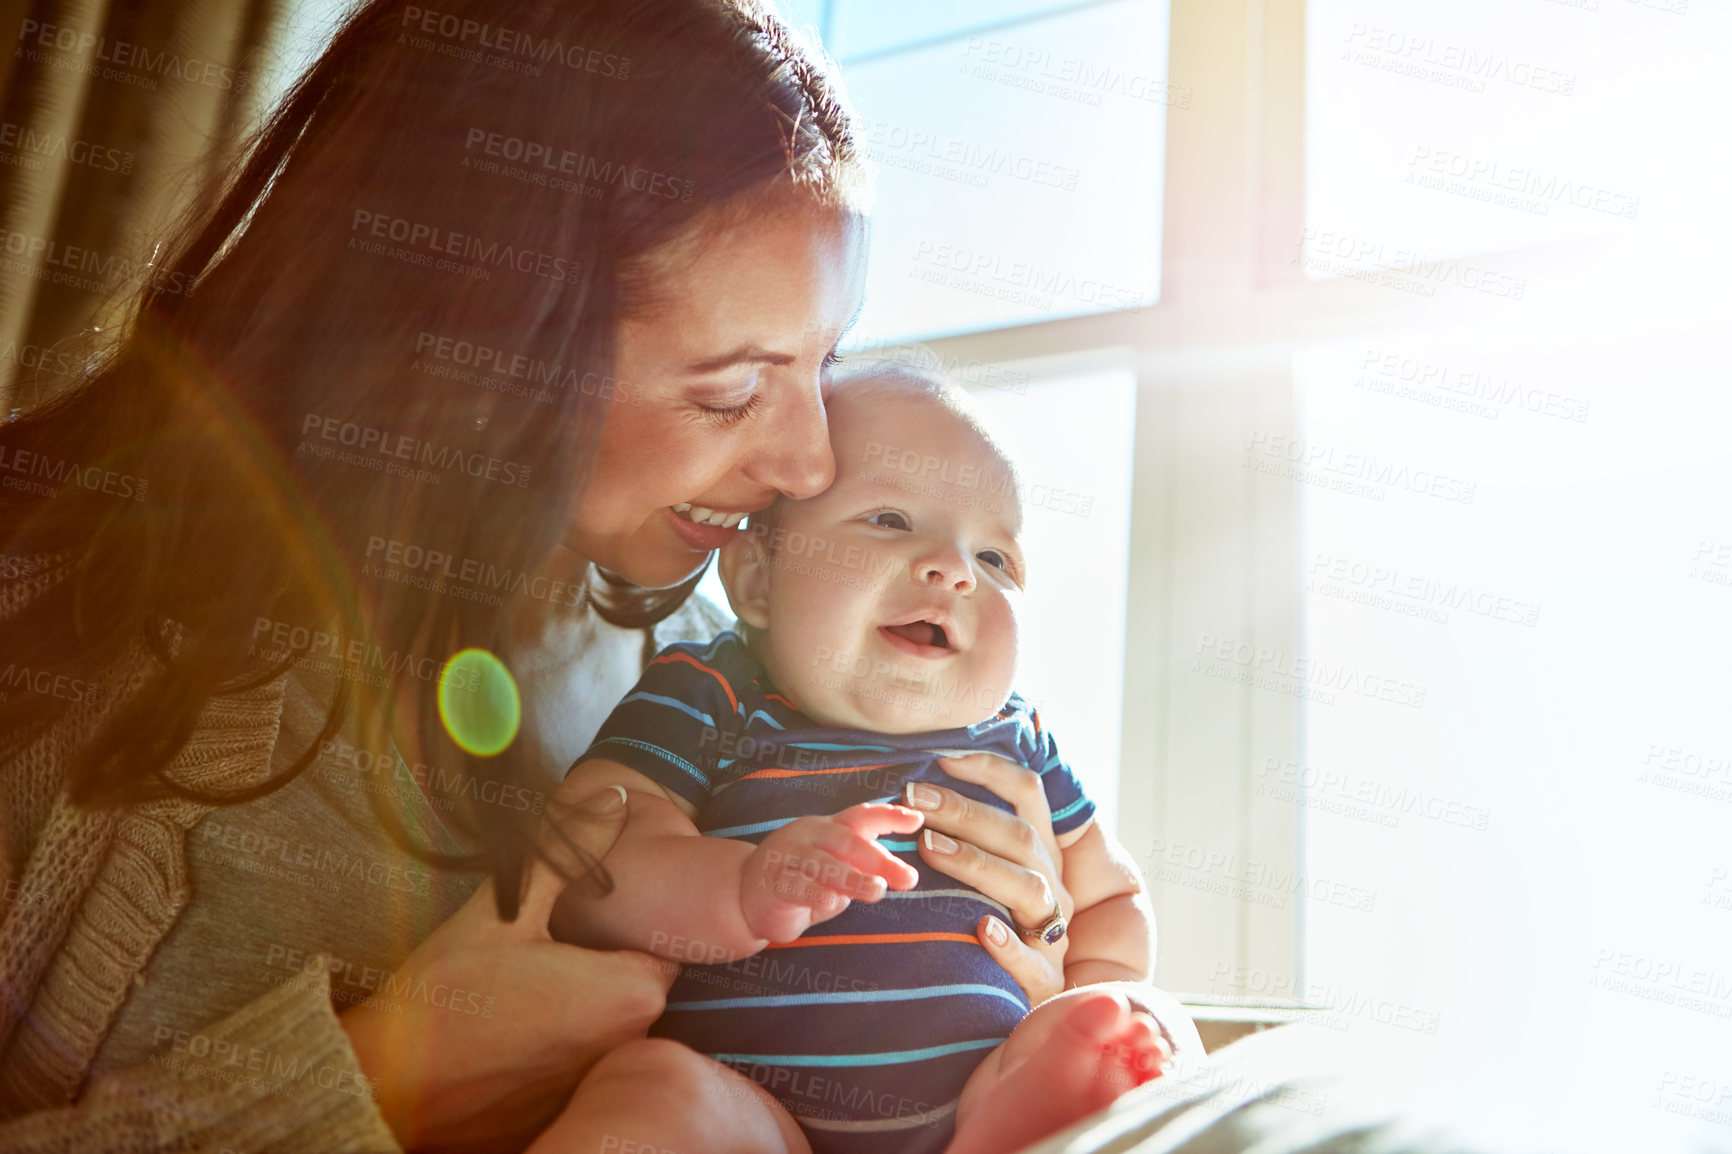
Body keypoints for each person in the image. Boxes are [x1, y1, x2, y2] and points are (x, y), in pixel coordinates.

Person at [0, 1, 1187, 1150]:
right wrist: (377, 1079)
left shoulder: (709, 649)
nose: (807, 459)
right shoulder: (44, 626)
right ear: (481, 342)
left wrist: (1032, 968)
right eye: (728, 390)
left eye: (822, 363)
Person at [538, 368, 1187, 1154]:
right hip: (755, 1113)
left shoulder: (1017, 737)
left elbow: (1114, 896)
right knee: (652, 1090)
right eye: (889, 518)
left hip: (981, 1094)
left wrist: (1083, 1003)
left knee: (1151, 1030)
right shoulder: (711, 689)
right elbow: (593, 856)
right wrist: (740, 888)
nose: (951, 569)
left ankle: (1033, 1117)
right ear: (756, 579)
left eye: (994, 558)